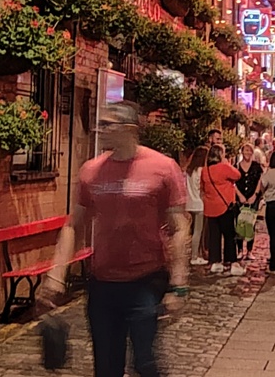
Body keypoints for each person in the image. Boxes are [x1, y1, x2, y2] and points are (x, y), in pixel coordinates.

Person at [44, 101, 190, 377]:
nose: (102, 130)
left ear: (130, 129)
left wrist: (178, 284)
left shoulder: (162, 167)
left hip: (146, 279)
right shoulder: (91, 170)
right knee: (106, 366)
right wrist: (56, 274)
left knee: (145, 363)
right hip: (102, 283)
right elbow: (74, 224)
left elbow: (179, 227)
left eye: (108, 124)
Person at [198, 146, 245, 276]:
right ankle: (231, 261)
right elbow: (237, 175)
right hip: (225, 206)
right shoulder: (224, 167)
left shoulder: (205, 171)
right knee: (229, 235)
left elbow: (202, 187)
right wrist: (226, 163)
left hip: (210, 207)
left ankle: (215, 262)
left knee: (214, 236)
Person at [234, 145, 264, 260]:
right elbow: (234, 183)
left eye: (250, 151)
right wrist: (240, 195)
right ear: (242, 152)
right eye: (246, 150)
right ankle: (240, 250)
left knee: (251, 224)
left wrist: (255, 195)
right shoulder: (236, 166)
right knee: (239, 223)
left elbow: (260, 181)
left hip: (252, 198)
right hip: (240, 198)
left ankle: (250, 250)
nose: (248, 153)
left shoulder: (256, 167)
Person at [184, 147, 209, 267]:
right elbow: (201, 188)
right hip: (199, 203)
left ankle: (193, 254)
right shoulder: (201, 170)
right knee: (197, 231)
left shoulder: (188, 171)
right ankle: (194, 256)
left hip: (189, 203)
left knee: (190, 231)